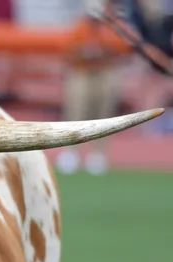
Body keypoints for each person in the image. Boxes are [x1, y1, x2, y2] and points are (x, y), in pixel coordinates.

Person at [55, 6, 126, 175]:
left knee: (104, 113)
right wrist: (83, 52)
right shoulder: (80, 28)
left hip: (105, 70)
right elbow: (67, 50)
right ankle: (71, 152)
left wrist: (103, 51)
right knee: (76, 111)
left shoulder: (111, 27)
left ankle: (98, 154)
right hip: (83, 71)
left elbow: (122, 49)